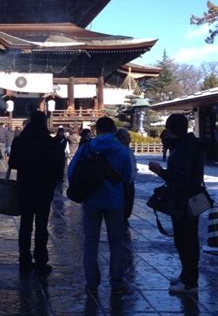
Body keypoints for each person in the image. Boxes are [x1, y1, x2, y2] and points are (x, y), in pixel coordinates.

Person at [68, 116, 131, 295]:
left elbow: (72, 170)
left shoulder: (88, 147)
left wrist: (82, 186)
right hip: (114, 199)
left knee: (90, 242)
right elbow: (128, 176)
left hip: (92, 199)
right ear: (113, 129)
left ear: (97, 129)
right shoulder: (121, 149)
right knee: (116, 242)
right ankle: (117, 282)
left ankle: (92, 283)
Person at [149, 113, 204, 293]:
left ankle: (190, 281)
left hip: (184, 199)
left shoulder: (183, 150)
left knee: (185, 240)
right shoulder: (190, 144)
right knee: (188, 239)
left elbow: (180, 178)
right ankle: (187, 275)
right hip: (194, 197)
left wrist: (160, 171)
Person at [8, 111, 61, 274]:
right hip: (44, 188)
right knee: (41, 226)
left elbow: (13, 163)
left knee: (25, 225)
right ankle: (41, 260)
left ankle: (24, 259)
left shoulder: (20, 141)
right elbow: (58, 167)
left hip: (25, 186)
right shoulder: (50, 142)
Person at [116, 128, 137, 224]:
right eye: (127, 136)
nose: (129, 138)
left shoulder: (129, 149)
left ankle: (125, 217)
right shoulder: (119, 150)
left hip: (130, 180)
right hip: (122, 181)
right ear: (121, 138)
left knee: (129, 201)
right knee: (124, 202)